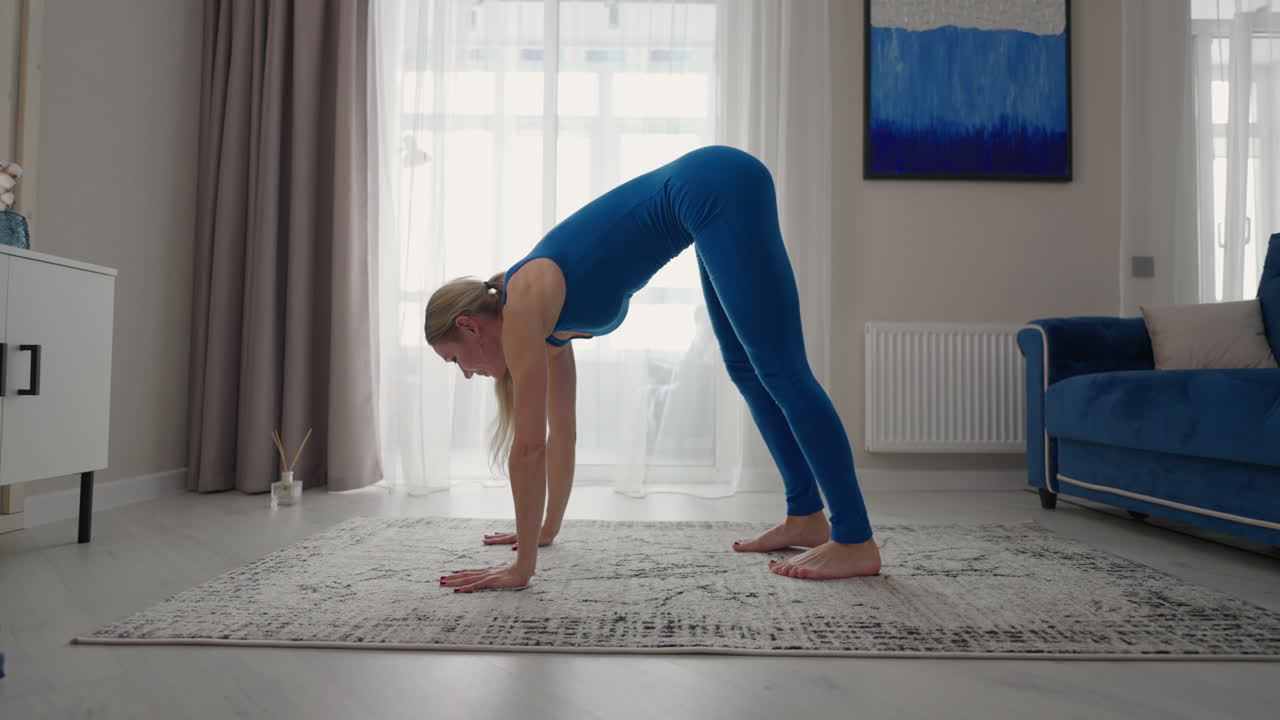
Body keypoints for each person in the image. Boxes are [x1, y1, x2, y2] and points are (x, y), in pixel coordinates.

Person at [426, 145, 881, 593]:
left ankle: (855, 538)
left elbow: (528, 450)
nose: (466, 374)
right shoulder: (546, 329)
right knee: (745, 367)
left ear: (469, 326)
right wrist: (544, 530)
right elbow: (560, 433)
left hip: (716, 185)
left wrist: (520, 568)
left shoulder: (523, 303)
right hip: (701, 204)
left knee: (782, 369)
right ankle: (805, 515)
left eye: (455, 360)